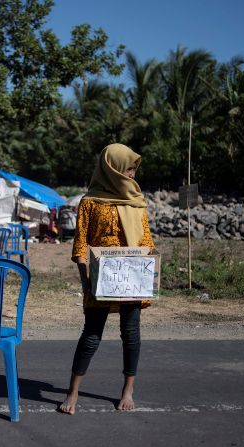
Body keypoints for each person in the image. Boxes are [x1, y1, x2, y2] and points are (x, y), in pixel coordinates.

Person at [59, 143, 155, 415]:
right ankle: (72, 392)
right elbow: (81, 244)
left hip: (131, 277)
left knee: (131, 334)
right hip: (100, 279)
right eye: (129, 168)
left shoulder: (136, 200)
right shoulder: (90, 202)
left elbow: (146, 240)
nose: (133, 174)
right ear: (112, 168)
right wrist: (84, 280)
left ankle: (128, 390)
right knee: (91, 335)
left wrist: (148, 267)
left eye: (135, 169)